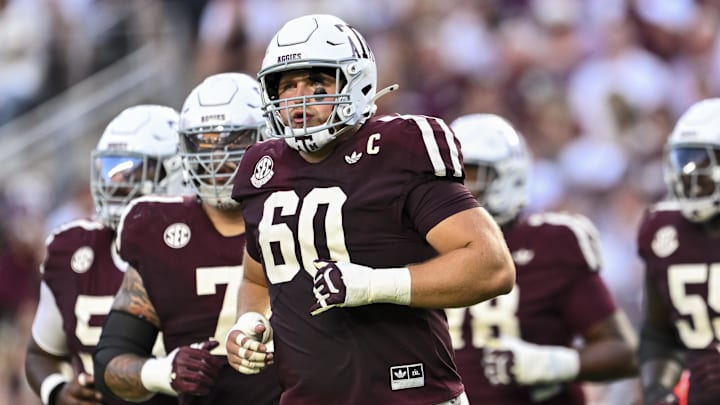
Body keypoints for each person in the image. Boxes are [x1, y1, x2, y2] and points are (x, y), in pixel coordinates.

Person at [225, 14, 516, 405]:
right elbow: (257, 280)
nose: (300, 99)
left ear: (356, 81)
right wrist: (250, 322)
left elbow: (491, 266)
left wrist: (376, 284)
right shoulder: (261, 169)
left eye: (317, 83)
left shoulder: (397, 148)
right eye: (288, 86)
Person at [92, 72, 281, 405]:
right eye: (202, 143)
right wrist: (163, 372)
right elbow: (110, 362)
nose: (216, 159)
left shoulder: (300, 210)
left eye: (232, 143)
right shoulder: (158, 229)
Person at [445, 113, 639, 404]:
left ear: (509, 178)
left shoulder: (552, 244)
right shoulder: (416, 245)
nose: (459, 189)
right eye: (451, 176)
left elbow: (622, 352)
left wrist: (549, 364)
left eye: (471, 175)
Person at [25, 104, 183, 405]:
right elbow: (41, 352)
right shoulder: (72, 251)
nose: (116, 185)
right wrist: (58, 391)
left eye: (132, 171)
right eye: (110, 170)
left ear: (174, 171)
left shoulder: (198, 246)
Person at [637, 98, 720, 405]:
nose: (689, 173)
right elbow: (658, 334)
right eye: (684, 159)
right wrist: (658, 391)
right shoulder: (663, 231)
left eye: (702, 160)